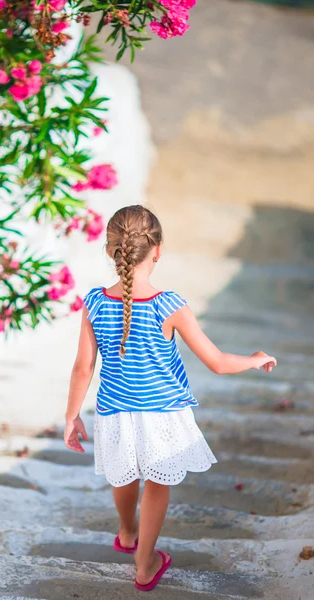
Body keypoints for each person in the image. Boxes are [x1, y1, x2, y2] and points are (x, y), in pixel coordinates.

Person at [64, 204, 276, 591]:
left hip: (114, 411)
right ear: (156, 249)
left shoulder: (94, 301)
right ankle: (145, 565)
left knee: (124, 473)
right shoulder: (168, 304)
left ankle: (127, 535)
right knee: (157, 485)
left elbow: (83, 367)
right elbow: (215, 362)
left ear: (112, 249)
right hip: (163, 413)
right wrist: (252, 360)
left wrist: (72, 416)